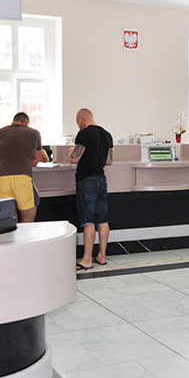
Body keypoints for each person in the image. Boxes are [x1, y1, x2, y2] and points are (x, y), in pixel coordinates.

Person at [69, 108, 113, 270]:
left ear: (82, 118)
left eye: (77, 122)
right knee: (102, 219)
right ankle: (102, 256)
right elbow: (109, 161)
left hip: (87, 180)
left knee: (88, 220)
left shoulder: (84, 134)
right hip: (101, 179)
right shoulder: (107, 135)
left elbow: (74, 159)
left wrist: (70, 152)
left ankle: (87, 260)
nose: (78, 125)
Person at [0, 112, 44, 223]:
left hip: (2, 179)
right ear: (26, 122)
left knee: (10, 221)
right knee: (28, 218)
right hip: (22, 178)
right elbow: (35, 161)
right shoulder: (34, 133)